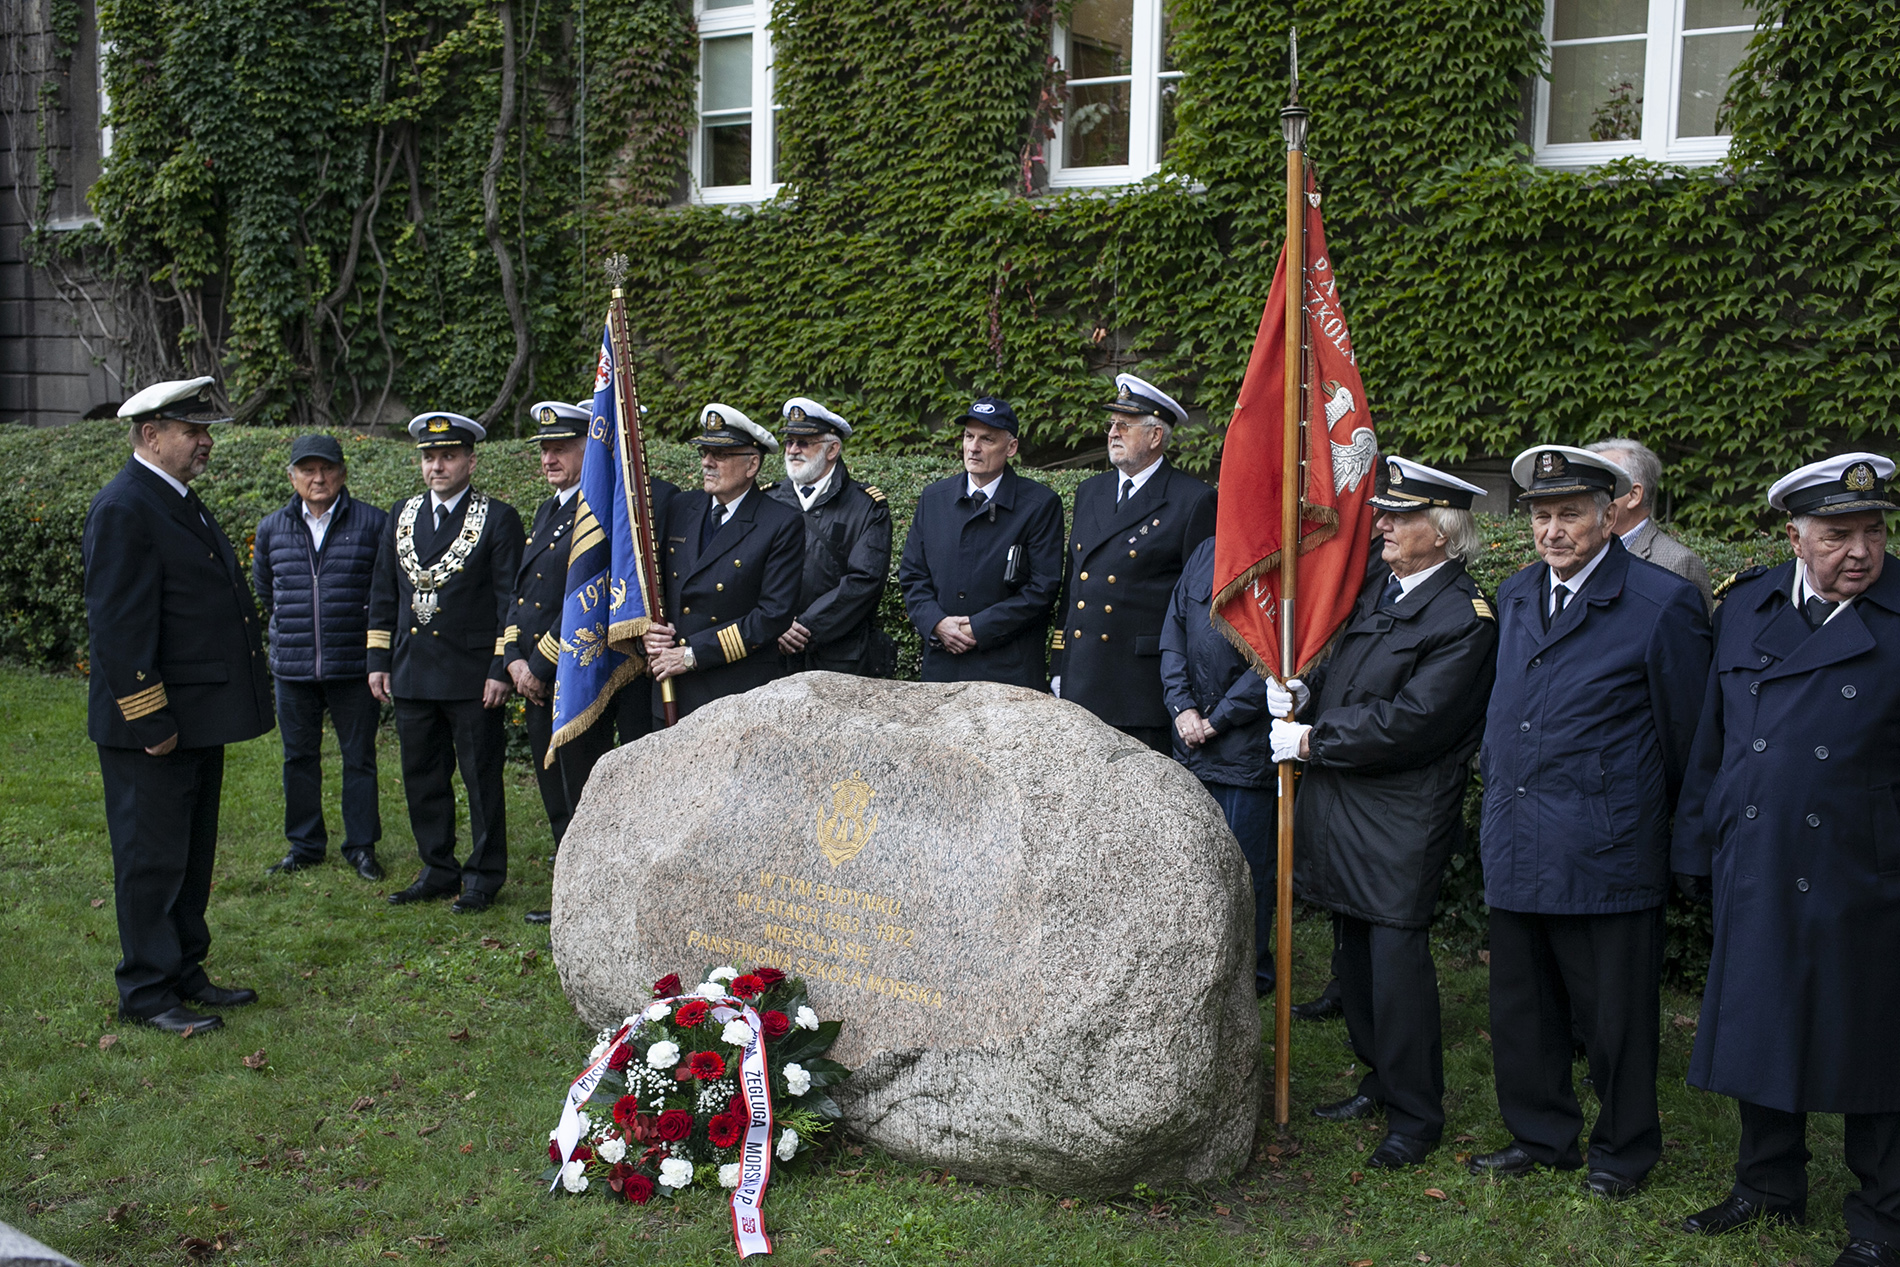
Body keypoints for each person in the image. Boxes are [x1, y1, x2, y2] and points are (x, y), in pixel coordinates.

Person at [1675, 453, 1900, 1267]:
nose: (1860, 551)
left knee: (1875, 1046)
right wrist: (1698, 842)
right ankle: (1766, 1182)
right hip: (1760, 856)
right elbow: (1717, 737)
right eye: (1839, 533)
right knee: (1763, 1022)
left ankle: (1884, 1220)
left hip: (1866, 868)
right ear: (1795, 537)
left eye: (1874, 531)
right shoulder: (1748, 605)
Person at [1468, 444, 1710, 1199]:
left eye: (1570, 513)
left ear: (1608, 515)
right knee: (1523, 1007)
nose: (1554, 530)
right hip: (1516, 838)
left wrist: (1659, 831)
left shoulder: (1660, 603)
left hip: (1604, 849)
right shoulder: (1513, 595)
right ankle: (1541, 1135)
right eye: (1541, 515)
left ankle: (1624, 1149)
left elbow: (1689, 739)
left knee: (1615, 1021)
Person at [1266, 457, 1499, 1167]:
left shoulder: (1466, 618)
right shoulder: (1380, 588)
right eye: (1386, 513)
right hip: (1344, 805)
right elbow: (1346, 675)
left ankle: (1415, 1114)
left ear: (1445, 532)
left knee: (1397, 971)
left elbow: (1414, 720)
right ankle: (1376, 1077)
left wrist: (1313, 737)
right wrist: (1305, 693)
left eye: (1402, 516)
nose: (1384, 524)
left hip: (1401, 817)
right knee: (1355, 961)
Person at [83, 377, 273, 1036]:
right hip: (154, 727)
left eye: (203, 430)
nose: (204, 441)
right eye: (192, 431)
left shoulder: (173, 500)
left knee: (190, 856)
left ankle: (185, 968)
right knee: (151, 858)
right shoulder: (125, 507)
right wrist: (150, 719)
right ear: (151, 435)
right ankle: (145, 988)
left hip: (194, 719)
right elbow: (119, 627)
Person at [368, 412, 524, 915]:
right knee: (423, 777)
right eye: (429, 457)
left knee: (481, 780)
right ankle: (437, 868)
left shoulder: (497, 518)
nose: (437, 466)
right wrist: (378, 658)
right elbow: (384, 593)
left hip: (472, 676)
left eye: (449, 456)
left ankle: (483, 875)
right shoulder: (401, 514)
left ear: (470, 461)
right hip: (413, 670)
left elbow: (510, 602)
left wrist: (501, 667)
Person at [1053, 373, 1216, 751]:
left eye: (1124, 425)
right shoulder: (1090, 491)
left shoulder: (1192, 500)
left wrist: (1188, 693)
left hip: (1138, 687)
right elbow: (1073, 587)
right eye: (1111, 424)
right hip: (1081, 677)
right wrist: (1059, 664)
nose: (1112, 432)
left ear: (1155, 436)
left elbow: (1196, 608)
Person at [252, 434, 389, 881]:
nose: (318, 478)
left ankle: (362, 847)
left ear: (343, 473)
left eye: (326, 468)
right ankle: (305, 845)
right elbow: (265, 590)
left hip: (352, 664)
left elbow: (384, 591)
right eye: (307, 470)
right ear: (292, 477)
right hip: (292, 667)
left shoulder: (373, 523)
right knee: (298, 759)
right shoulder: (272, 528)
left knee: (359, 758)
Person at [505, 402, 617, 927]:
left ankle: (585, 897)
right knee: (555, 792)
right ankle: (566, 891)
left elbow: (588, 601)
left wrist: (540, 665)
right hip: (533, 678)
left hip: (567, 675)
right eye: (544, 449)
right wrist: (510, 657)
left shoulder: (594, 512)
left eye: (561, 448)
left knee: (578, 791)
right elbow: (524, 595)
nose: (549, 457)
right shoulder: (549, 509)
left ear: (587, 450)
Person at [1159, 534, 1273, 994]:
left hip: (1244, 753)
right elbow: (1173, 633)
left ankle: (1245, 976)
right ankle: (1193, 969)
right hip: (1190, 745)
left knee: (1243, 875)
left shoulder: (1282, 556)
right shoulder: (1206, 551)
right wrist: (1182, 707)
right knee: (1189, 868)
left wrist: (1218, 720)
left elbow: (1276, 658)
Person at [641, 404, 805, 720]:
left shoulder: (780, 522)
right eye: (705, 451)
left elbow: (773, 616)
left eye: (721, 454)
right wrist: (647, 631)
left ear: (752, 464)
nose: (707, 462)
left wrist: (692, 655)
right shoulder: (682, 505)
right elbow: (655, 582)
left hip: (734, 690)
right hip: (672, 686)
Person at [897, 397, 1064, 690]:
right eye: (968, 436)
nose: (973, 447)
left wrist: (978, 628)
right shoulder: (934, 499)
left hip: (1009, 672)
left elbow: (1042, 588)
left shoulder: (1039, 505)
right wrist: (936, 623)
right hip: (942, 667)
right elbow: (913, 575)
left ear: (1011, 447)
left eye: (987, 439)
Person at [763, 397, 893, 675]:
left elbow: (864, 581)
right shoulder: (768, 500)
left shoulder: (867, 506)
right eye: (789, 442)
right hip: (771, 652)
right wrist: (774, 623)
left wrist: (806, 626)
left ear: (833, 449)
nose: (793, 450)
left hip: (839, 657)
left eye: (804, 442)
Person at [1586, 437, 1714, 611]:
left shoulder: (1677, 563)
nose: (1587, 495)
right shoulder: (1575, 550)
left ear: (1634, 495)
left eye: (1601, 485)